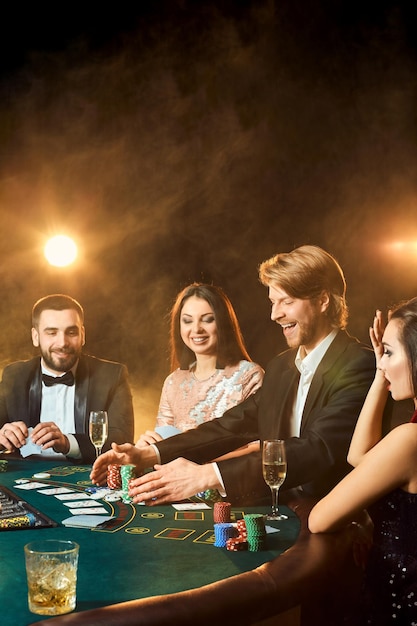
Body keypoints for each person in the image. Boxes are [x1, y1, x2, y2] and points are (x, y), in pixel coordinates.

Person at [90, 245, 379, 506]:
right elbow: (231, 427)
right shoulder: (282, 366)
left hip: (333, 511)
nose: (274, 315)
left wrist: (208, 475)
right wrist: (148, 454)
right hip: (277, 503)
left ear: (323, 301)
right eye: (272, 302)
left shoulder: (359, 364)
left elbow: (319, 449)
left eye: (286, 302)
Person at [308, 300, 417, 625]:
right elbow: (361, 458)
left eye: (388, 352)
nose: (381, 364)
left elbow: (319, 519)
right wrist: (379, 373)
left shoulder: (409, 440)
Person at [0, 294, 134, 464]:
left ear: (83, 335)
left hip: (89, 479)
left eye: (71, 332)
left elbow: (122, 441)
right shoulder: (15, 375)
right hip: (23, 480)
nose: (62, 342)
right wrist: (2, 436)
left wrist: (67, 443)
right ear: (36, 336)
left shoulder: (112, 375)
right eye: (52, 333)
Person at [136, 283, 264, 460]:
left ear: (223, 322)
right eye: (187, 321)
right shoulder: (174, 381)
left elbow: (259, 447)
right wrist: (147, 447)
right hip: (177, 480)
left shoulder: (248, 375)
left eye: (207, 319)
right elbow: (164, 441)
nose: (196, 329)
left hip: (224, 481)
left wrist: (200, 467)